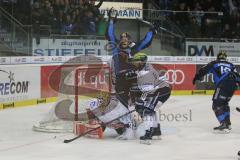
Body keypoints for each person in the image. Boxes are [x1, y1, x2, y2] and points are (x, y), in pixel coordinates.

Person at [105, 8, 157, 108]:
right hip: (120, 79)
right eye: (122, 38)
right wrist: (111, 20)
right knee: (121, 103)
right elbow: (110, 34)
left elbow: (145, 41)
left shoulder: (134, 48)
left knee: (138, 101)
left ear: (129, 41)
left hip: (134, 78)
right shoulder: (116, 47)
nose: (124, 39)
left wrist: (152, 31)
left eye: (126, 38)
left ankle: (141, 114)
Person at [128, 52, 171, 144]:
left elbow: (147, 91)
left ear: (142, 62)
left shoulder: (146, 74)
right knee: (151, 109)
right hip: (163, 90)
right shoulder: (145, 67)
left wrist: (138, 100)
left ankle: (148, 134)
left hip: (159, 91)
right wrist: (134, 73)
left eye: (136, 61)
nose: (134, 63)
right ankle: (156, 130)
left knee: (145, 109)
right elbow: (140, 73)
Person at [192, 51, 239, 133]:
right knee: (224, 103)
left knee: (216, 104)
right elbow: (237, 76)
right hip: (233, 85)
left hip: (222, 84)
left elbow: (203, 70)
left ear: (218, 57)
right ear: (225, 58)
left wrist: (197, 77)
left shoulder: (214, 63)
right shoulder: (231, 65)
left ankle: (224, 124)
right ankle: (228, 123)